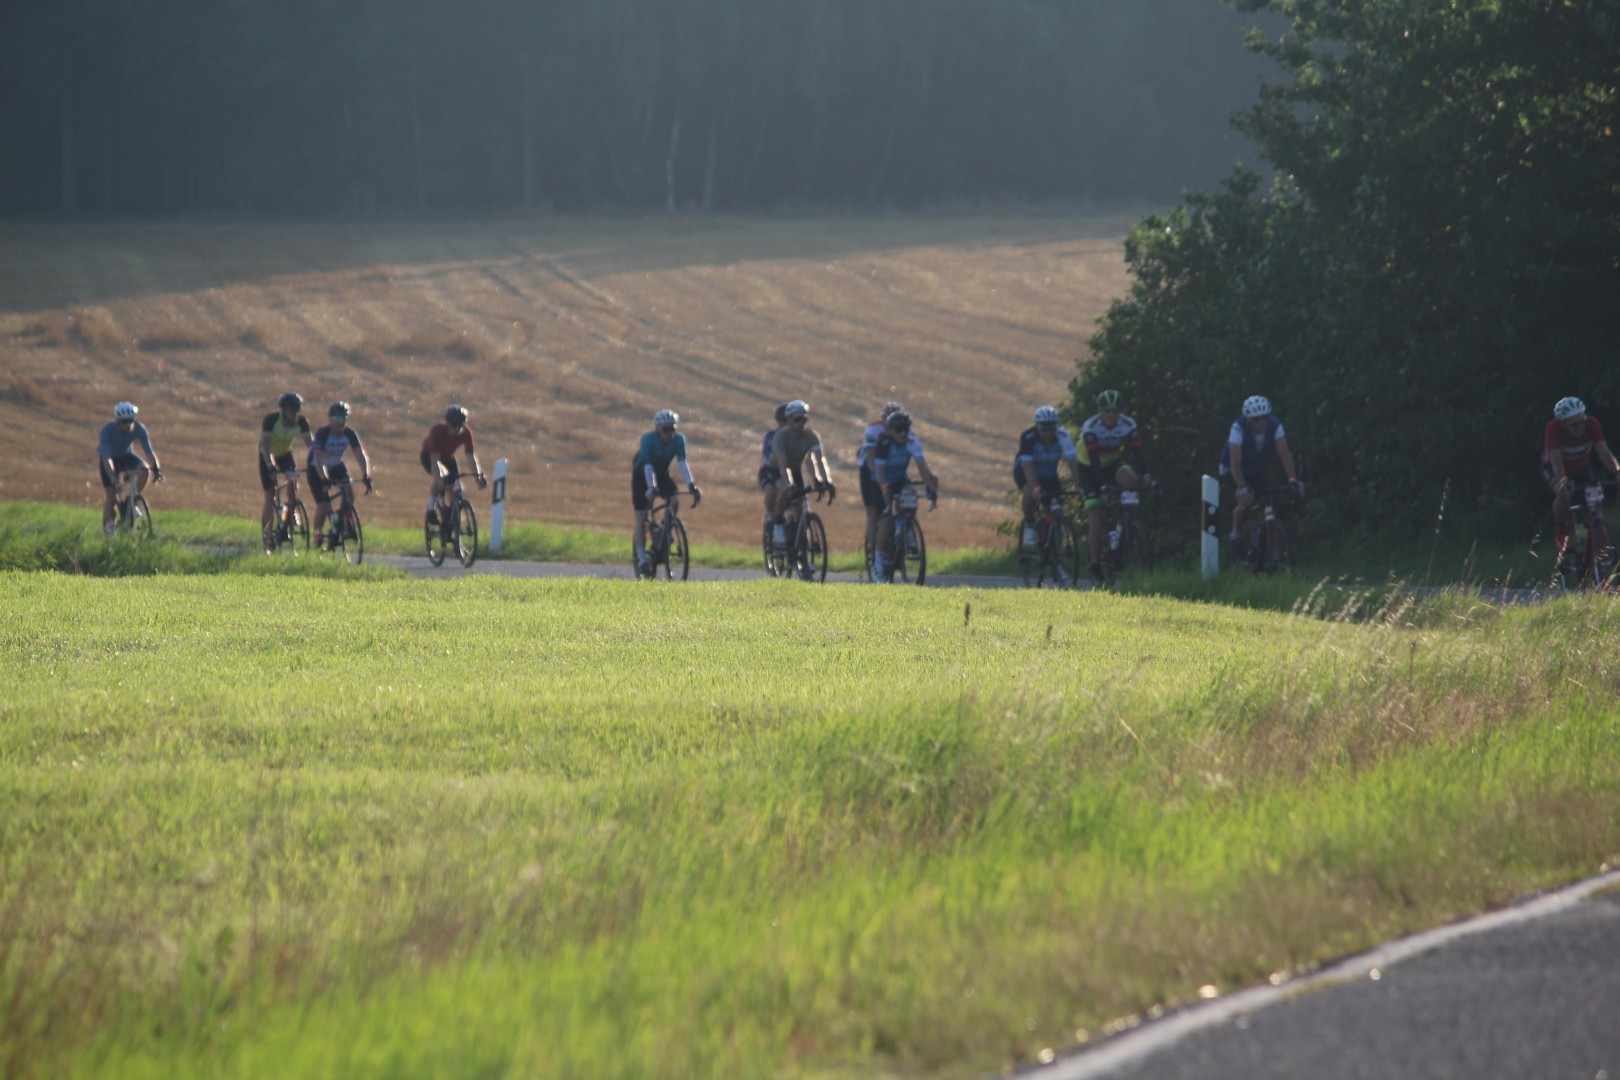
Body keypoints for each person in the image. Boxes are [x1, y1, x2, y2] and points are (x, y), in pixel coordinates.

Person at [1079, 389, 1151, 583]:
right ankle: (1095, 565)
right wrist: (1102, 487)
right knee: (1096, 515)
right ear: (1099, 410)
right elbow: (1094, 460)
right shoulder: (1091, 426)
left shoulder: (1128, 424)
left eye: (1115, 411)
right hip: (1088, 469)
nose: (1111, 415)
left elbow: (1137, 454)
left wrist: (1147, 476)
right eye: (1107, 410)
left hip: (1112, 464)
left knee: (1132, 480)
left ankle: (1125, 524)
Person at [1219, 395, 1302, 553]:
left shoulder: (1275, 425)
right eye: (1256, 420)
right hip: (1233, 468)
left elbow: (1285, 455)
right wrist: (1242, 487)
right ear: (1249, 420)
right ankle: (1236, 534)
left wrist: (1292, 479)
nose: (1262, 422)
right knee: (1246, 501)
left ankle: (1275, 553)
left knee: (1267, 502)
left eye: (1265, 418)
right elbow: (1235, 463)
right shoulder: (1238, 428)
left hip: (1255, 467)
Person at [1542, 396, 1620, 566]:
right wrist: (1563, 480)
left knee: (1592, 510)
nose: (1580, 427)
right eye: (1574, 425)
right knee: (1563, 492)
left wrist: (1617, 472)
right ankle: (1561, 532)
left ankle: (1595, 551)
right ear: (1563, 424)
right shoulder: (1553, 428)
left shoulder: (1592, 423)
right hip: (1555, 469)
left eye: (1581, 422)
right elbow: (1556, 460)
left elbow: (1603, 451)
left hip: (1581, 469)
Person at [868, 410, 939, 583]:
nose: (902, 434)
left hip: (899, 479)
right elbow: (879, 470)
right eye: (898, 430)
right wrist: (884, 488)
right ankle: (877, 564)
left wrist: (930, 488)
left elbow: (922, 467)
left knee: (911, 495)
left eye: (906, 429)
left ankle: (906, 528)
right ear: (890, 430)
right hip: (880, 481)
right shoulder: (884, 443)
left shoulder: (912, 442)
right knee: (886, 521)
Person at [1014, 405, 1083, 582]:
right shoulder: (1028, 437)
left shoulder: (1062, 436)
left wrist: (1078, 484)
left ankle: (1056, 559)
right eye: (1044, 428)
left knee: (1056, 512)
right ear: (1037, 426)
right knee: (1029, 492)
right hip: (1027, 472)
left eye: (1051, 428)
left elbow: (1072, 462)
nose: (1048, 433)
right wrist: (1036, 488)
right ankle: (1029, 524)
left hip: (1050, 476)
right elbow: (1027, 466)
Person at [633, 408, 701, 574]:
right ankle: (642, 560)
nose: (670, 433)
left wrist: (691, 485)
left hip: (662, 474)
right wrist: (651, 486)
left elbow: (682, 462)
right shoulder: (648, 440)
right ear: (657, 428)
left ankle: (665, 528)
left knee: (674, 501)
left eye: (672, 429)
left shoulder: (678, 440)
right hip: (642, 476)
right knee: (642, 517)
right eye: (665, 429)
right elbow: (648, 465)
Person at [768, 399, 836, 547]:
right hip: (776, 470)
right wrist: (789, 485)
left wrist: (826, 481)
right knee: (784, 491)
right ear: (789, 420)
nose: (801, 423)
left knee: (799, 508)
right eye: (797, 420)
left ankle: (798, 543)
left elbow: (820, 460)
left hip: (795, 470)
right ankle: (777, 523)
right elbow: (782, 465)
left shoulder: (812, 436)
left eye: (804, 419)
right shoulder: (781, 436)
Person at [306, 401, 372, 549]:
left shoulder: (349, 433)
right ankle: (317, 534)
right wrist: (324, 479)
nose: (340, 423)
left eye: (343, 419)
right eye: (337, 419)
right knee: (323, 504)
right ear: (330, 419)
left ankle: (343, 520)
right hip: (317, 466)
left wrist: (366, 475)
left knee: (349, 493)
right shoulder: (323, 433)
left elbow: (360, 455)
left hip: (336, 464)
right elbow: (318, 458)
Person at [98, 401, 163, 536]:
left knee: (144, 470)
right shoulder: (107, 431)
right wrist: (112, 475)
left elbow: (149, 452)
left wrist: (156, 470)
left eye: (131, 421)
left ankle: (131, 501)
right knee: (111, 496)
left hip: (126, 456)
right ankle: (109, 529)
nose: (128, 425)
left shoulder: (139, 428)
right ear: (118, 422)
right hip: (109, 459)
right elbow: (106, 458)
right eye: (124, 422)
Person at [259, 392, 313, 544]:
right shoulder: (271, 420)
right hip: (267, 455)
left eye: (297, 410)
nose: (294, 414)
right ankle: (267, 534)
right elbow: (266, 446)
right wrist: (270, 466)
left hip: (285, 454)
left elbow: (311, 446)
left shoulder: (301, 422)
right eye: (291, 410)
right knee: (270, 494)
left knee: (293, 483)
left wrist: (315, 463)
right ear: (283, 410)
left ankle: (290, 512)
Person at [422, 404, 487, 527]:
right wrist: (440, 480)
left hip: (448, 458)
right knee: (443, 477)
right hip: (429, 456)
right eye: (453, 426)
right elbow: (435, 461)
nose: (457, 430)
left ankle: (452, 515)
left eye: (460, 426)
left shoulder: (466, 432)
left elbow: (470, 457)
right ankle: (431, 509)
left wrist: (478, 476)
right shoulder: (437, 431)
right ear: (447, 424)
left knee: (456, 487)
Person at [859, 401, 905, 568]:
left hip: (889, 469)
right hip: (869, 471)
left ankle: (898, 539)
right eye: (887, 419)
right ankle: (874, 553)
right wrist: (881, 481)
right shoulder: (873, 430)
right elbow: (871, 460)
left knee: (900, 503)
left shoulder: (903, 431)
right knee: (874, 512)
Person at [758, 402, 790, 527]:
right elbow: (769, 456)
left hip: (786, 469)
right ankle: (771, 516)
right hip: (769, 469)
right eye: (783, 420)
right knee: (772, 491)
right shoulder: (771, 436)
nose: (786, 423)